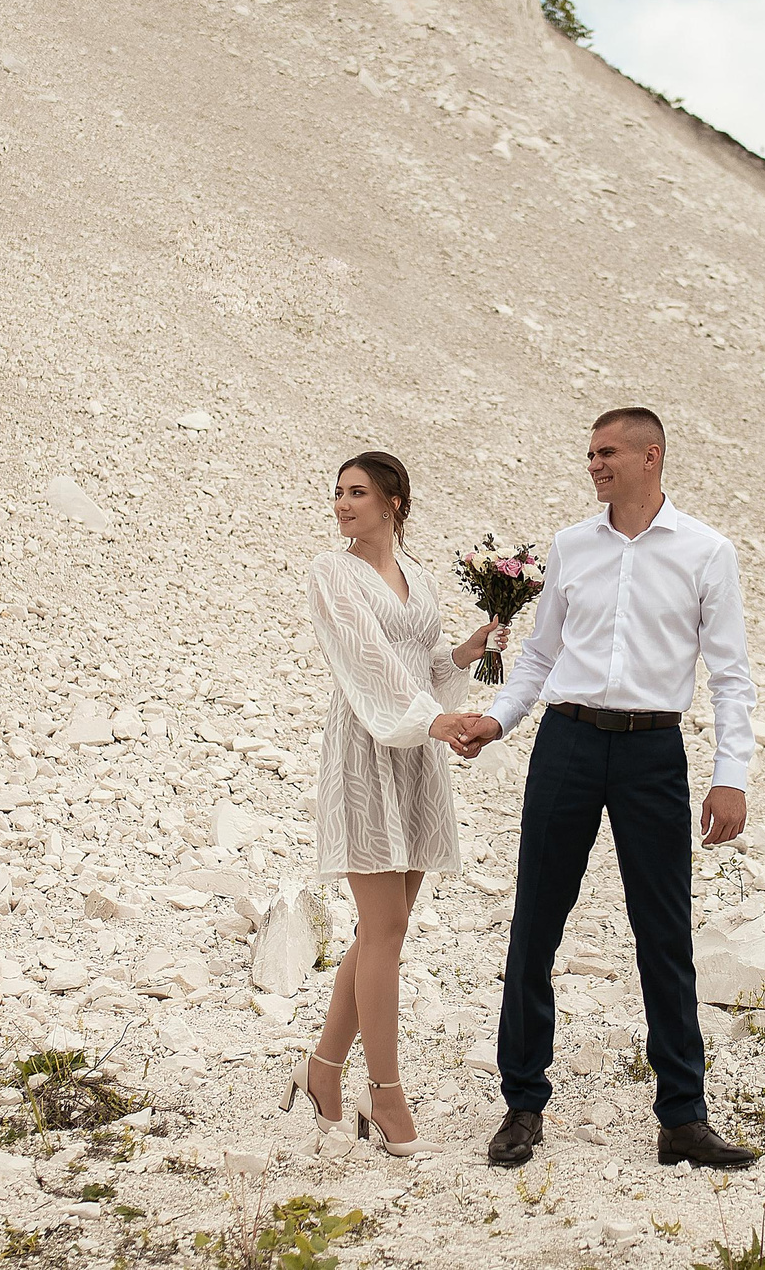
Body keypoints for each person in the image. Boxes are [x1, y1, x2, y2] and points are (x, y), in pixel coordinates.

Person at [432, 407, 761, 1169]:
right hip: (568, 743)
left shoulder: (709, 552)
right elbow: (542, 657)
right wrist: (498, 721)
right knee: (535, 925)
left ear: (652, 456)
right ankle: (522, 1104)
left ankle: (683, 1116)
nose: (593, 464)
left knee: (664, 934)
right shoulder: (572, 547)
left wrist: (730, 775)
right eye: (588, 453)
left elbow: (733, 676)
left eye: (607, 451)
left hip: (654, 753)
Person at [279, 450, 508, 1159]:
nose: (343, 504)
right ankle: (386, 1096)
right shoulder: (331, 572)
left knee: (386, 926)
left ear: (394, 501)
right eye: (339, 492)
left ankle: (321, 1070)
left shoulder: (424, 580)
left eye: (357, 492)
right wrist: (432, 720)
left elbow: (427, 663)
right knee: (386, 927)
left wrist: (468, 650)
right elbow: (367, 661)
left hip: (415, 750)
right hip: (368, 746)